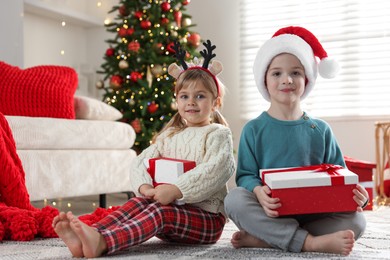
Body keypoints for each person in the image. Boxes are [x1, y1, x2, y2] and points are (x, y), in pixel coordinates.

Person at [52, 40, 235, 258]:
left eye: (200, 96)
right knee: (138, 201)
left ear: (215, 102)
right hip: (171, 220)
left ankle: (103, 242)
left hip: (206, 220)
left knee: (159, 211)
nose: (191, 102)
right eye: (184, 96)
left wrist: (176, 190)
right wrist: (145, 187)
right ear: (176, 100)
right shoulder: (171, 134)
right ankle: (92, 234)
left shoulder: (217, 134)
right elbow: (141, 161)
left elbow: (217, 168)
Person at [224, 26, 369, 256]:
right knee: (234, 199)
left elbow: (340, 173)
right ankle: (310, 243)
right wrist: (258, 191)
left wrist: (359, 195)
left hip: (315, 213)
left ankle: (271, 239)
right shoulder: (253, 129)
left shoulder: (320, 129)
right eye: (277, 73)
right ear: (265, 79)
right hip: (270, 212)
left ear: (307, 79)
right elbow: (245, 176)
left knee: (358, 221)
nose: (287, 80)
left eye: (296, 73)